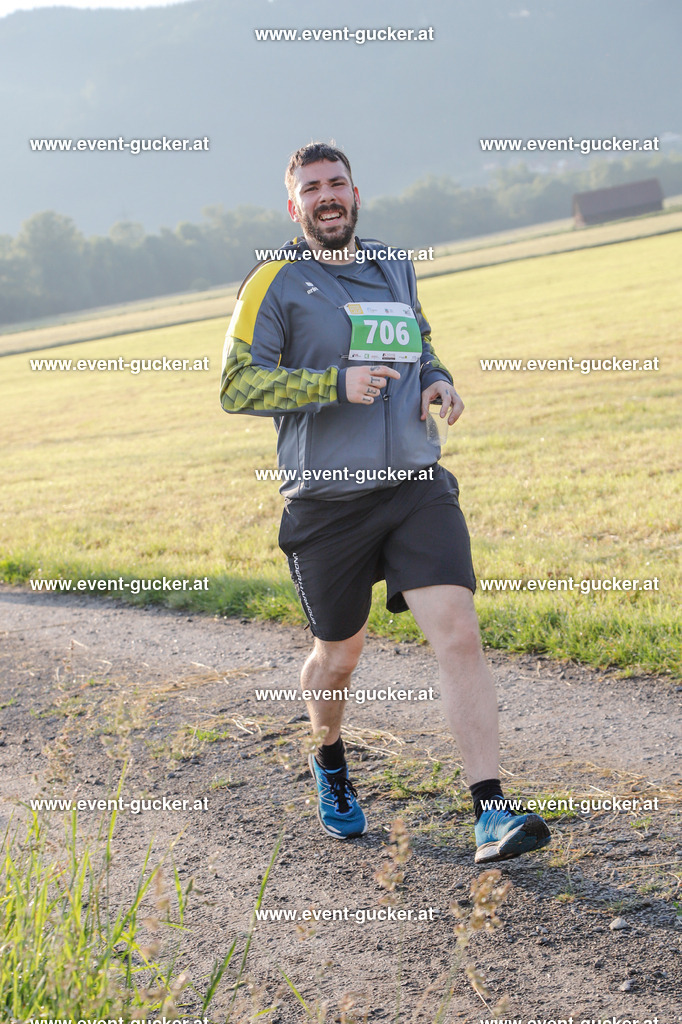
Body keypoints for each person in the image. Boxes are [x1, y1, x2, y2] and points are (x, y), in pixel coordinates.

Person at [220, 141, 550, 864]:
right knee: (339, 657)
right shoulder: (273, 281)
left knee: (458, 630)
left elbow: (420, 343)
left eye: (336, 183)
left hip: (415, 486)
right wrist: (330, 385)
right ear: (293, 206)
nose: (327, 196)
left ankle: (490, 812)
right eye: (312, 188)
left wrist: (438, 378)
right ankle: (330, 760)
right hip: (327, 505)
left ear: (355, 192)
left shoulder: (394, 265)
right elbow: (235, 386)